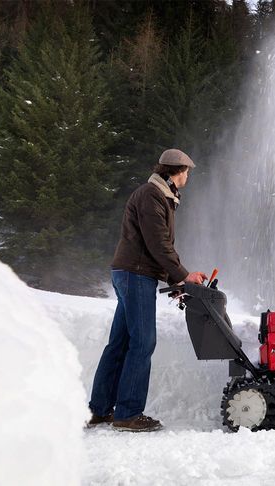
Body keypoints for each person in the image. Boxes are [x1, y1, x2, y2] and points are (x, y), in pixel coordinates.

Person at [87, 149, 207, 432]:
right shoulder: (151, 195)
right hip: (135, 275)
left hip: (132, 273)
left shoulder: (162, 196)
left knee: (120, 342)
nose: (188, 176)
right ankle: (128, 414)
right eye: (187, 171)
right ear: (176, 171)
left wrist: (176, 280)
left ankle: (99, 410)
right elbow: (158, 245)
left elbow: (156, 248)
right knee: (143, 342)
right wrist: (182, 275)